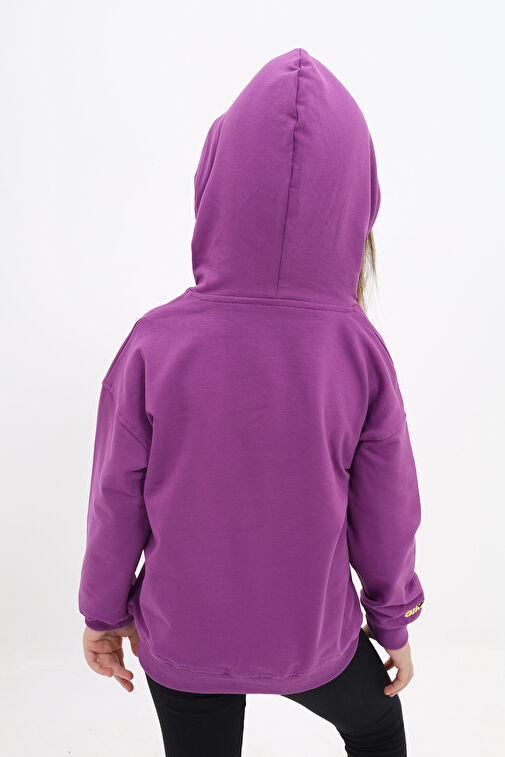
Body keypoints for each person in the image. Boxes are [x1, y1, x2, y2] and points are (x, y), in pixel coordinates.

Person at [78, 47, 425, 756]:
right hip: (313, 637)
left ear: (214, 186)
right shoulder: (358, 350)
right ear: (357, 202)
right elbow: (387, 509)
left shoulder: (154, 342)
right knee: (374, 724)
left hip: (182, 636)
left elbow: (115, 496)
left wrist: (103, 612)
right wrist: (391, 621)